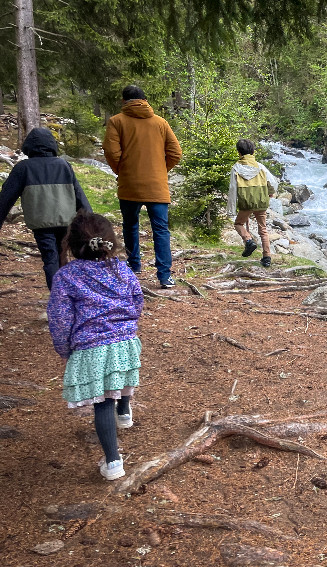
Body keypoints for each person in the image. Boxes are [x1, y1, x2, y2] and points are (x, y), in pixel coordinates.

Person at [47, 211, 144, 481]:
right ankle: (124, 411)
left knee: (102, 403)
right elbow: (137, 299)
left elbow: (59, 318)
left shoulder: (66, 276)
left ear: (72, 244)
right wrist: (128, 325)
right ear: (110, 241)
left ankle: (113, 462)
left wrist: (64, 348)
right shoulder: (122, 268)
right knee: (121, 376)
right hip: (125, 341)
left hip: (91, 347)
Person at [102, 85, 182, 288]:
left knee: (130, 225)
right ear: (145, 101)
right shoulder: (161, 123)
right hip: (157, 186)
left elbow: (112, 153)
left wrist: (121, 170)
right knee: (161, 230)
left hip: (130, 184)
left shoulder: (116, 121)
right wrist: (160, 170)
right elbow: (175, 153)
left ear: (123, 101)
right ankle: (164, 276)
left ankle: (134, 264)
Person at [0, 127, 91, 289]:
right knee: (62, 256)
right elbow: (79, 195)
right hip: (65, 221)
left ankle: (59, 301)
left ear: (29, 146)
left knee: (50, 258)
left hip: (41, 223)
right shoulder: (64, 165)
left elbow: (5, 199)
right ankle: (67, 298)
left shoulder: (23, 168)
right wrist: (91, 220)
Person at [227, 139, 278, 268]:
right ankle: (267, 257)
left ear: (239, 152)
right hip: (261, 201)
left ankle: (248, 240)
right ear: (253, 151)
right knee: (263, 229)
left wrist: (231, 210)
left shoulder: (236, 168)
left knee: (239, 223)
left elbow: (233, 189)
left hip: (246, 203)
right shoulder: (260, 167)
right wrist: (270, 192)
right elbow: (272, 183)